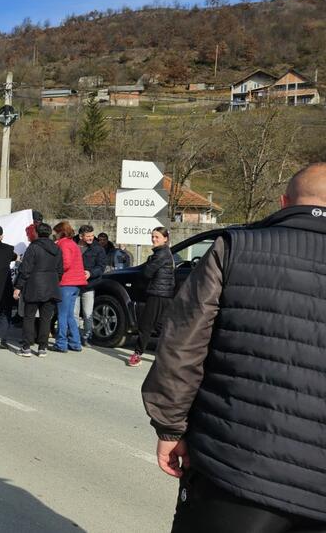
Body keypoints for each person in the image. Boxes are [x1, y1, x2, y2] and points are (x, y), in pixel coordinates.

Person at [142, 163, 326, 532]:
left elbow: (182, 346)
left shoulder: (235, 247)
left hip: (235, 468)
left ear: (284, 201)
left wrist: (170, 428)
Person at [12, 223, 62, 357]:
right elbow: (60, 270)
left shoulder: (33, 248)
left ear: (37, 233)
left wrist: (18, 287)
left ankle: (26, 347)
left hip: (33, 285)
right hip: (51, 286)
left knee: (29, 317)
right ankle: (42, 348)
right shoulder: (57, 248)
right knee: (46, 319)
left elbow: (25, 270)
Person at [128, 227, 174, 368]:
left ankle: (137, 354)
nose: (153, 239)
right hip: (165, 294)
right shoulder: (165, 253)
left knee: (146, 324)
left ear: (165, 239)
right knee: (161, 326)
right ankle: (171, 356)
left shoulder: (161, 254)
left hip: (157, 293)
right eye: (152, 236)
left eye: (157, 237)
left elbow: (147, 273)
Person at [53, 222, 87, 353]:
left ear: (61, 232)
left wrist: (55, 271)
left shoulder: (63, 244)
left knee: (62, 315)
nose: (54, 234)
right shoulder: (73, 243)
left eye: (56, 232)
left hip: (66, 283)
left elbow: (65, 263)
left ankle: (61, 343)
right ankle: (75, 342)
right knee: (69, 315)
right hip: (76, 283)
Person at [75, 224, 107, 345]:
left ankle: (87, 337)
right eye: (88, 236)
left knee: (88, 313)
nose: (91, 238)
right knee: (74, 313)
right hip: (74, 284)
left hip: (89, 285)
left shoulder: (98, 248)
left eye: (92, 235)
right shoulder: (72, 245)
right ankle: (75, 336)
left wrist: (90, 273)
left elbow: (101, 266)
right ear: (81, 236)